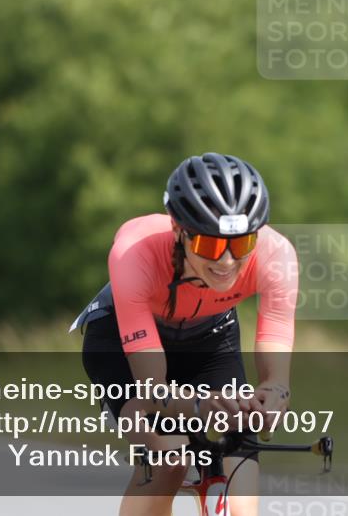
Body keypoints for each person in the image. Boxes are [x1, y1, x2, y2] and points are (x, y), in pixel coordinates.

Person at [73, 152, 298, 516]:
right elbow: (152, 391)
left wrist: (273, 396)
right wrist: (198, 405)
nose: (226, 261)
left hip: (210, 337)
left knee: (240, 471)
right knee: (170, 456)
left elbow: (277, 364)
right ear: (179, 230)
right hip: (120, 338)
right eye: (209, 245)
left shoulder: (277, 256)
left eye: (241, 244)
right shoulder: (134, 252)